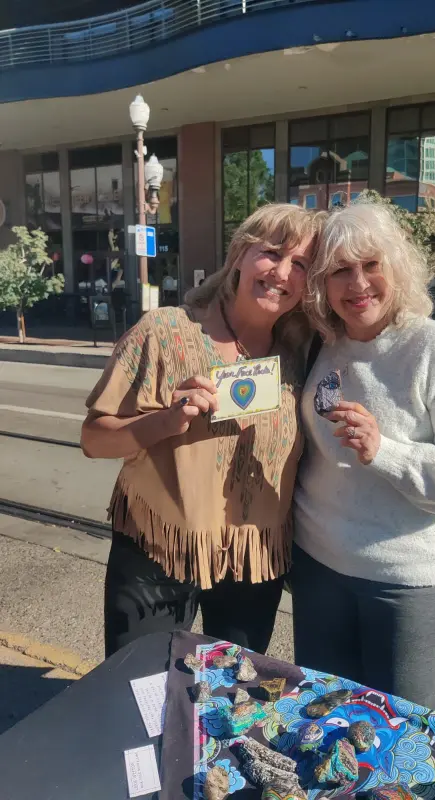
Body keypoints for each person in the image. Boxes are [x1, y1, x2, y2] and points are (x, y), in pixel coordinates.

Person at [81, 203, 321, 658]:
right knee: (144, 688)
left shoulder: (303, 353)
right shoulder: (164, 332)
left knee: (227, 694)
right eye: (272, 253)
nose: (282, 272)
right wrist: (165, 421)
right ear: (239, 255)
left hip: (252, 562)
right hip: (158, 552)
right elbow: (93, 438)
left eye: (302, 264)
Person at [292, 201, 435, 711]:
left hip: (404, 582)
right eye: (340, 270)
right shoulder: (324, 345)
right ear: (322, 284)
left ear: (397, 269)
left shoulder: (433, 347)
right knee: (325, 720)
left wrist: (384, 450)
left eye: (371, 265)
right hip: (318, 569)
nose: (357, 283)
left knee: (404, 728)